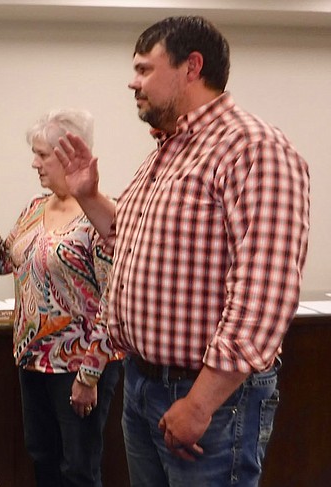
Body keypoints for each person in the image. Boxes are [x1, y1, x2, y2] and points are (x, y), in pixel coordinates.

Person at [54, 16, 310, 487]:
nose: (133, 82)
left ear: (192, 67)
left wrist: (200, 402)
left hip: (208, 396)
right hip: (143, 384)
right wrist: (89, 197)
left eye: (145, 69)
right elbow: (130, 241)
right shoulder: (165, 153)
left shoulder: (252, 148)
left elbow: (265, 291)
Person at [0, 109, 122, 487]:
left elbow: (113, 300)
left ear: (69, 154)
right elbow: (4, 263)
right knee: (43, 460)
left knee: (78, 470)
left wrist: (89, 375)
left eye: (42, 155)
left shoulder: (99, 216)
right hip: (33, 360)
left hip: (79, 365)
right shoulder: (35, 209)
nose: (34, 163)